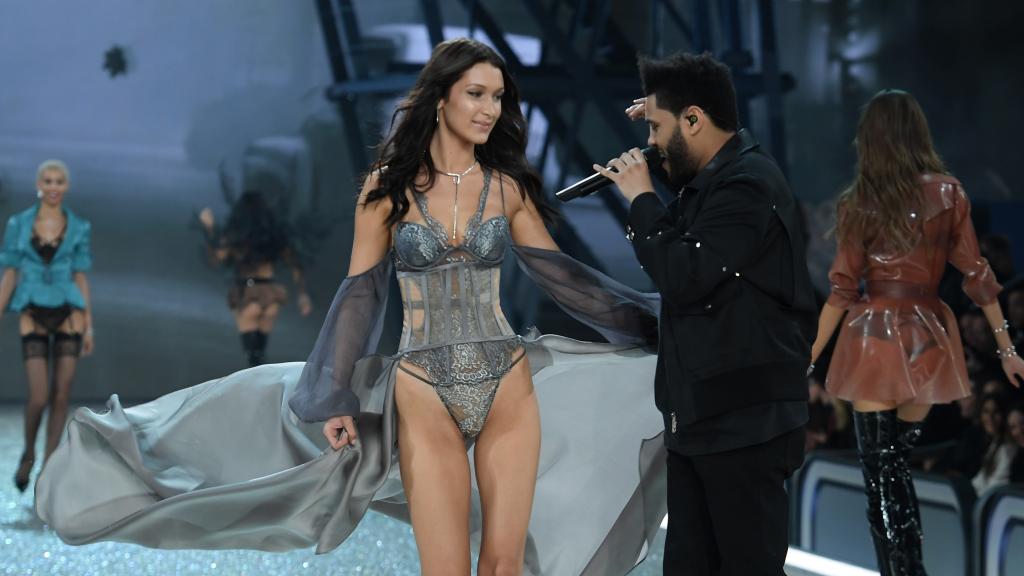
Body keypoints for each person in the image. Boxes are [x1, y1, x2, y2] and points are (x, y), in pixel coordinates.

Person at [36, 39, 666, 576]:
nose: (489, 109)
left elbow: (563, 279)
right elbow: (359, 294)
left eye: (498, 97)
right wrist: (336, 391)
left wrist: (655, 321)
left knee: (504, 566)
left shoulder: (509, 187)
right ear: (441, 97)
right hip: (422, 387)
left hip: (507, 383)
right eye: (476, 93)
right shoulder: (386, 189)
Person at [600, 51, 816, 576]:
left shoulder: (749, 186)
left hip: (746, 424)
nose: (648, 142)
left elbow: (683, 273)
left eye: (656, 128)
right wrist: (662, 127)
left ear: (694, 119)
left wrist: (641, 200)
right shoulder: (715, 186)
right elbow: (683, 229)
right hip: (703, 420)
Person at [809, 89, 1024, 575]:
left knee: (881, 476)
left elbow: (842, 290)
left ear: (871, 139)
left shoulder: (859, 200)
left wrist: (809, 355)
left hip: (874, 339)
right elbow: (978, 276)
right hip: (928, 336)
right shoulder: (949, 193)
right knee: (895, 469)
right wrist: (1007, 348)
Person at [0, 159, 93, 492]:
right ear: (39, 184)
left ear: (66, 186)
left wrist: (89, 325)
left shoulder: (79, 226)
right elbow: (10, 271)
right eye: (48, 181)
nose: (54, 187)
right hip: (31, 308)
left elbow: (80, 275)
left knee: (61, 394)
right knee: (38, 396)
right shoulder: (19, 224)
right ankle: (28, 453)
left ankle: (48, 468)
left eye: (59, 182)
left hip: (69, 310)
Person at [197, 190, 313, 366]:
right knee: (261, 356)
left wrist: (210, 229)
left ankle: (256, 391)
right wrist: (303, 295)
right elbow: (295, 264)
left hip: (247, 295)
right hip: (271, 295)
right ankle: (266, 390)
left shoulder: (236, 234)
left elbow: (217, 259)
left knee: (253, 359)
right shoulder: (275, 235)